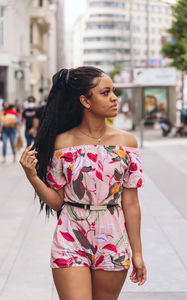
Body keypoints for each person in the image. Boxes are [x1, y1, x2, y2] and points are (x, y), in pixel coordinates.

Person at [20, 67, 147, 300]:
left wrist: (137, 252)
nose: (114, 97)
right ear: (85, 100)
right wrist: (33, 177)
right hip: (71, 235)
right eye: (105, 92)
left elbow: (131, 203)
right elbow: (58, 202)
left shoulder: (127, 143)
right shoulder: (63, 143)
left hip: (112, 236)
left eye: (113, 92)